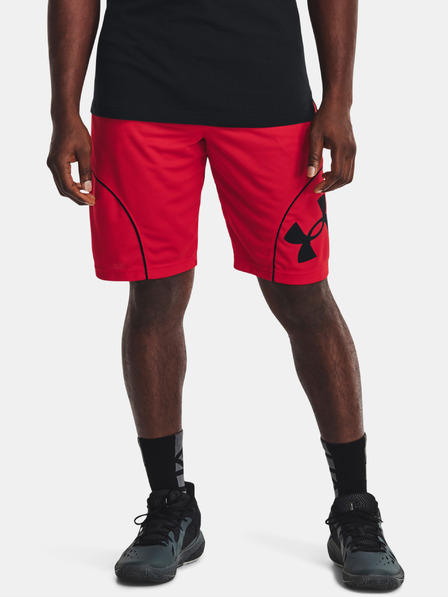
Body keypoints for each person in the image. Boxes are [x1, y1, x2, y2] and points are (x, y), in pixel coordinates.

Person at [46, 0, 404, 590]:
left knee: (304, 298)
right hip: (139, 91)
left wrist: (338, 100)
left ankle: (355, 510)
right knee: (154, 295)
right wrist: (64, 110)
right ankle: (171, 508)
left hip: (267, 92)